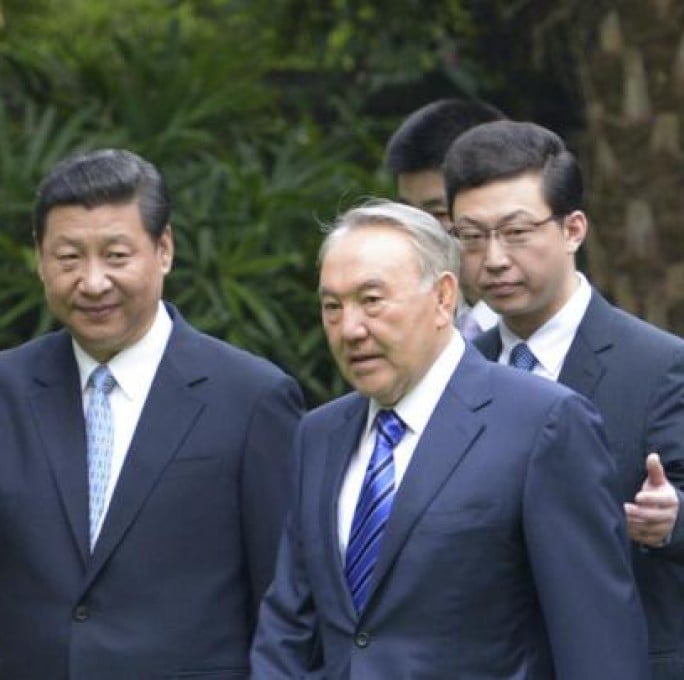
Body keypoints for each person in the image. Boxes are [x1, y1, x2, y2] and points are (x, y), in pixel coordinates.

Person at [0, 148, 305, 679]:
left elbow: (284, 595)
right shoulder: (5, 386)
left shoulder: (252, 398)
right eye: (68, 259)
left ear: (165, 250)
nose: (92, 282)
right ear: (40, 259)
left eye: (115, 256)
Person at [250, 200, 648, 678]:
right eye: (332, 306)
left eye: (372, 300)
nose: (350, 329)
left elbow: (596, 640)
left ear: (442, 298)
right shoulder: (319, 434)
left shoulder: (544, 423)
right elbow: (288, 626)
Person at [444, 119, 684, 679]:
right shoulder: (455, 371)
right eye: (471, 237)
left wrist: (670, 517)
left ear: (574, 229)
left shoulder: (660, 364)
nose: (494, 259)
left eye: (517, 232)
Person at [385, 98, 506, 339]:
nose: (418, 233)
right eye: (407, 213)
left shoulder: (540, 329)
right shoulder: (410, 326)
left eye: (439, 214)